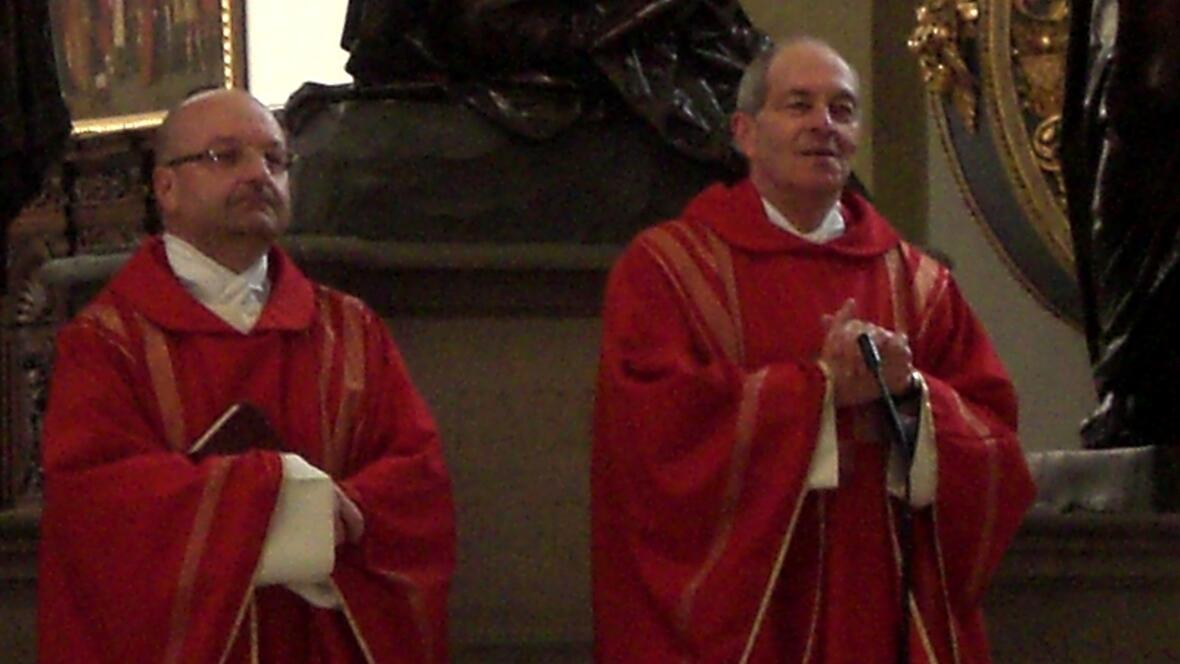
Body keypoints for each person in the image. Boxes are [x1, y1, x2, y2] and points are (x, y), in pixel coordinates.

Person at [592, 37, 1035, 662]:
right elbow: (652, 432)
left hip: (881, 593)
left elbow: (995, 441)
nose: (823, 126)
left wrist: (911, 396)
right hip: (754, 610)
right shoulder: (670, 270)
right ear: (745, 132)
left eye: (843, 109)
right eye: (799, 105)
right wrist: (819, 390)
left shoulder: (919, 285)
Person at [37, 88, 456, 663]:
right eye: (225, 156)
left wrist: (329, 512)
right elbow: (96, 503)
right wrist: (285, 500)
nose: (259, 174)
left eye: (275, 159)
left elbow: (417, 478)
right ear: (166, 188)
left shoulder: (351, 330)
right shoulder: (109, 342)